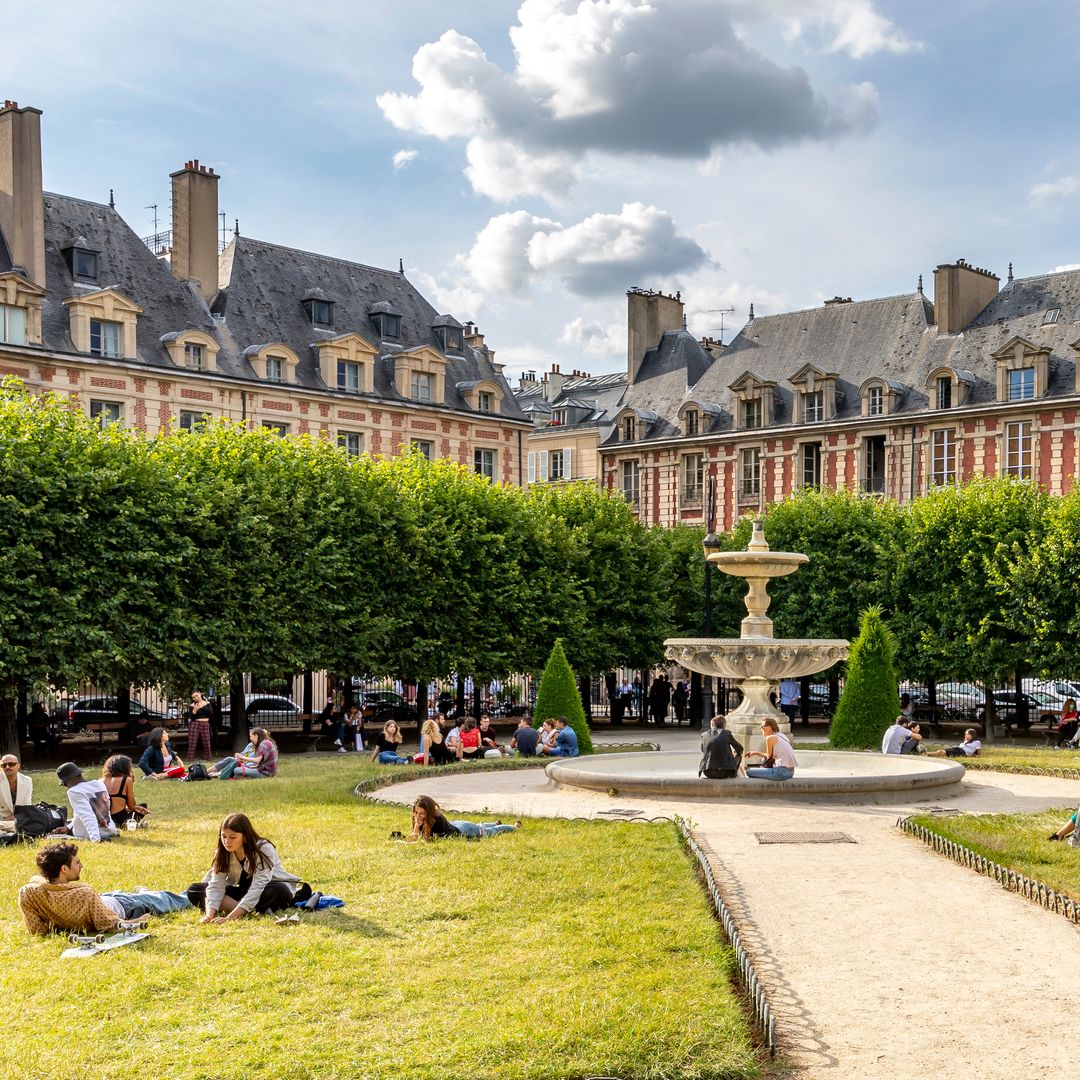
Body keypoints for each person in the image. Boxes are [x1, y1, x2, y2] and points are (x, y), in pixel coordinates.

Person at [18, 841, 190, 935]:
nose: (81, 866)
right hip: (124, 906)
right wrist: (137, 922)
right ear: (64, 869)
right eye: (77, 863)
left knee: (129, 895)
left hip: (103, 899)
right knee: (167, 898)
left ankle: (145, 893)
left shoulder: (29, 892)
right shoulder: (84, 893)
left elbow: (37, 930)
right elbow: (111, 924)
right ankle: (202, 892)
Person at [186, 813, 310, 922]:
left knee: (279, 890)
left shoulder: (264, 848)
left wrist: (229, 918)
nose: (227, 841)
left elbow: (258, 886)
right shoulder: (222, 853)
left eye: (233, 837)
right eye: (224, 836)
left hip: (266, 888)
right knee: (194, 890)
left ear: (244, 836)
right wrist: (209, 916)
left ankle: (242, 909)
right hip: (242, 891)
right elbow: (216, 884)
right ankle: (250, 910)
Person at [406, 795, 519, 841]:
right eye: (417, 812)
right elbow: (415, 836)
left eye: (422, 813)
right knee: (479, 826)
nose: (419, 815)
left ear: (429, 812)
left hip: (463, 830)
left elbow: (430, 841)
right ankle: (495, 822)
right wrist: (417, 825)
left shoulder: (438, 820)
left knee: (489, 832)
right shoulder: (417, 817)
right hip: (455, 824)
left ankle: (514, 827)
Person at [55, 762, 117, 842]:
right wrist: (68, 827)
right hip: (109, 829)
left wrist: (96, 840)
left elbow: (87, 816)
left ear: (68, 780)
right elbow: (83, 812)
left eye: (65, 784)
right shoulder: (99, 784)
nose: (66, 787)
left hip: (88, 834)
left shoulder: (74, 791)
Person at [102, 754, 149, 829]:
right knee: (143, 806)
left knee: (139, 807)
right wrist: (131, 781)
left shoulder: (100, 781)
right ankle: (129, 825)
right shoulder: (126, 780)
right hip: (120, 819)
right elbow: (131, 805)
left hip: (104, 818)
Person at [699, 715, 743, 779]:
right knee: (738, 754)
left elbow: (703, 750)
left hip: (707, 772)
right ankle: (733, 774)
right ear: (724, 725)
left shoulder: (704, 735)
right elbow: (740, 749)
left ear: (712, 725)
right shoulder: (727, 734)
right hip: (723, 772)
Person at [0, 753, 33, 833]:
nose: (7, 767)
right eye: (4, 765)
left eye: (11, 764)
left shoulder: (27, 780)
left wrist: (16, 816)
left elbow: (27, 805)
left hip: (19, 818)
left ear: (18, 766)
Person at [187, 690, 214, 761]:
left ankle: (208, 759)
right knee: (192, 742)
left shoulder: (207, 703)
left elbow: (211, 714)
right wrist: (194, 710)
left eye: (196, 695)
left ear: (200, 694)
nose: (196, 698)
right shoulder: (192, 705)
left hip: (205, 724)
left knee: (207, 742)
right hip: (195, 724)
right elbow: (192, 717)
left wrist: (202, 706)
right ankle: (190, 759)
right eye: (193, 697)